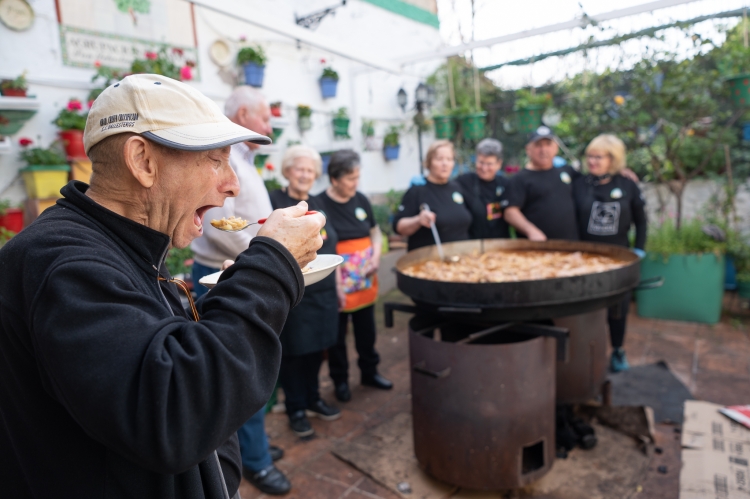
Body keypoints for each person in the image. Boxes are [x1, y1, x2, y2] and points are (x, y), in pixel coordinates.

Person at [0, 74, 325, 499]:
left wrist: (232, 295)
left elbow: (159, 359)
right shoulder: (64, 262)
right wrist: (269, 268)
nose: (233, 184)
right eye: (215, 159)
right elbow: (174, 413)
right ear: (143, 162)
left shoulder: (119, 246)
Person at [189, 86, 292, 495]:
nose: (269, 125)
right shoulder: (224, 159)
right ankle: (256, 462)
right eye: (265, 117)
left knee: (258, 362)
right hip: (225, 272)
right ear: (244, 114)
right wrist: (271, 257)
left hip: (246, 267)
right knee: (239, 368)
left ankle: (254, 449)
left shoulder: (245, 157)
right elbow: (220, 226)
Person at [270, 146, 341, 437]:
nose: (304, 175)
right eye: (299, 168)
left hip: (323, 290)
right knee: (294, 352)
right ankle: (295, 408)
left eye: (310, 170)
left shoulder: (320, 203)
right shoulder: (275, 203)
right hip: (294, 291)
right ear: (287, 171)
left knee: (317, 348)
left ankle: (313, 398)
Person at [318, 149, 392, 402]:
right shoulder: (320, 204)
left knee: (367, 331)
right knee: (337, 337)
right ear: (335, 179)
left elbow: (375, 231)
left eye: (357, 177)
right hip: (336, 280)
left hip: (365, 278)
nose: (355, 183)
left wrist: (375, 256)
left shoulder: (361, 200)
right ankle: (340, 381)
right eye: (350, 178)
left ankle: (370, 372)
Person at [572, 134, 647, 372]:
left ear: (612, 159)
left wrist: (639, 250)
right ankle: (584, 352)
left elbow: (641, 221)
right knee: (586, 307)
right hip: (585, 258)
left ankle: (617, 350)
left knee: (618, 308)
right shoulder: (579, 184)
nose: (592, 162)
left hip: (618, 258)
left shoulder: (627, 185)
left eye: (598, 157)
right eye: (589, 156)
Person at [502, 126, 580, 241]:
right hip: (537, 250)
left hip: (570, 247)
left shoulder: (566, 172)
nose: (544, 149)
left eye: (548, 144)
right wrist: (531, 230)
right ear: (528, 149)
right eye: (538, 145)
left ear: (556, 148)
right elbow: (510, 212)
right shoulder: (519, 179)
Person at [393, 140, 472, 251]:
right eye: (439, 159)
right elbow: (399, 227)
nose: (445, 163)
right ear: (429, 163)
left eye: (449, 159)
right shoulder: (417, 190)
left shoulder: (457, 188)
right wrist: (418, 220)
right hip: (429, 260)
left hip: (460, 258)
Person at [455, 138, 510, 239]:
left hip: (500, 244)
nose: (484, 168)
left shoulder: (506, 184)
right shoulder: (463, 182)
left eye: (489, 164)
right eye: (481, 162)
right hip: (471, 244)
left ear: (499, 164)